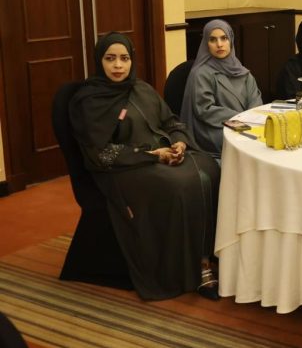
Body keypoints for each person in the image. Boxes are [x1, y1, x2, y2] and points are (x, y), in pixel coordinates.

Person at [68, 32, 222, 301]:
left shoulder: (141, 89)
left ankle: (208, 252)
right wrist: (151, 155)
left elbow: (171, 121)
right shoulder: (89, 100)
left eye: (124, 58)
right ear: (99, 61)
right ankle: (193, 267)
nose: (118, 65)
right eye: (110, 59)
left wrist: (179, 142)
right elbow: (102, 153)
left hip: (160, 156)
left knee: (210, 168)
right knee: (178, 185)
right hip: (122, 168)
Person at [181, 19, 263, 159]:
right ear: (206, 44)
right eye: (213, 40)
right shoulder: (201, 73)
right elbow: (205, 109)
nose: (219, 44)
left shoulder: (241, 70)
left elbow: (255, 100)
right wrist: (240, 119)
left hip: (246, 124)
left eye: (224, 38)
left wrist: (249, 119)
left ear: (230, 40)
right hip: (215, 128)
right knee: (249, 145)